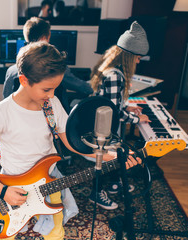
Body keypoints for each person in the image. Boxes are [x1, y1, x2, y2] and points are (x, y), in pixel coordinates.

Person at [0, 41, 141, 239]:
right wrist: (1, 190)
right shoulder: (2, 112)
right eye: (46, 90)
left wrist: (109, 155)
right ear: (24, 81)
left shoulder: (52, 105)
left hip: (49, 179)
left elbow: (71, 143)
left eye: (55, 89)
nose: (51, 95)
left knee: (55, 232)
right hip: (11, 183)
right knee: (1, 233)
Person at [88, 21, 151, 210]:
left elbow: (112, 104)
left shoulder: (113, 70)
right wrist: (137, 119)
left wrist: (128, 108)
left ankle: (114, 184)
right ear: (128, 56)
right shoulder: (115, 76)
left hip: (101, 124)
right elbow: (114, 115)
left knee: (121, 147)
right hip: (100, 130)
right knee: (119, 151)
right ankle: (96, 192)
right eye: (137, 58)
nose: (138, 62)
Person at [3, 17, 93, 110]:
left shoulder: (11, 71)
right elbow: (79, 86)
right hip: (51, 113)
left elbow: (7, 97)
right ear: (44, 38)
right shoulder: (55, 67)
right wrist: (94, 85)